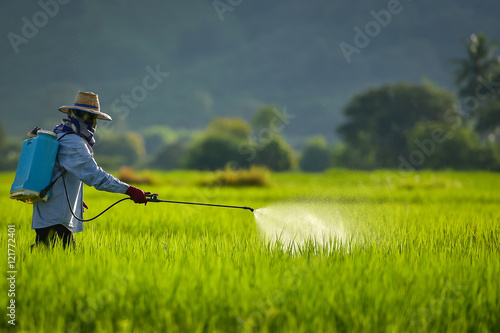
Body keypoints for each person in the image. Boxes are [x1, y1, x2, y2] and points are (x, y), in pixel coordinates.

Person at [31, 91, 148, 249]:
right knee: (59, 262)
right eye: (90, 118)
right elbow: (95, 176)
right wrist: (129, 190)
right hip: (56, 218)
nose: (92, 122)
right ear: (81, 117)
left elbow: (60, 173)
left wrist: (76, 198)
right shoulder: (73, 142)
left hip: (50, 215)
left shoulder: (61, 136)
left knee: (46, 258)